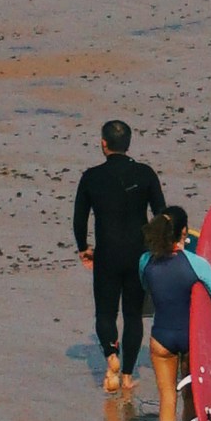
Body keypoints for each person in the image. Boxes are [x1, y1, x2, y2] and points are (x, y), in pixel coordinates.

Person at [73, 119, 166, 392]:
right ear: (129, 144)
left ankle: (111, 356)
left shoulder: (91, 177)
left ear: (103, 143)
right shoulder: (146, 174)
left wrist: (83, 248)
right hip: (139, 254)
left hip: (107, 254)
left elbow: (79, 219)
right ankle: (126, 376)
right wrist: (161, 248)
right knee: (133, 315)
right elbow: (161, 213)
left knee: (105, 312)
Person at [144, 205, 211, 421]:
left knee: (167, 397)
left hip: (161, 338)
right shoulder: (197, 265)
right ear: (184, 232)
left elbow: (146, 291)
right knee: (192, 393)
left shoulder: (145, 261)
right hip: (191, 339)